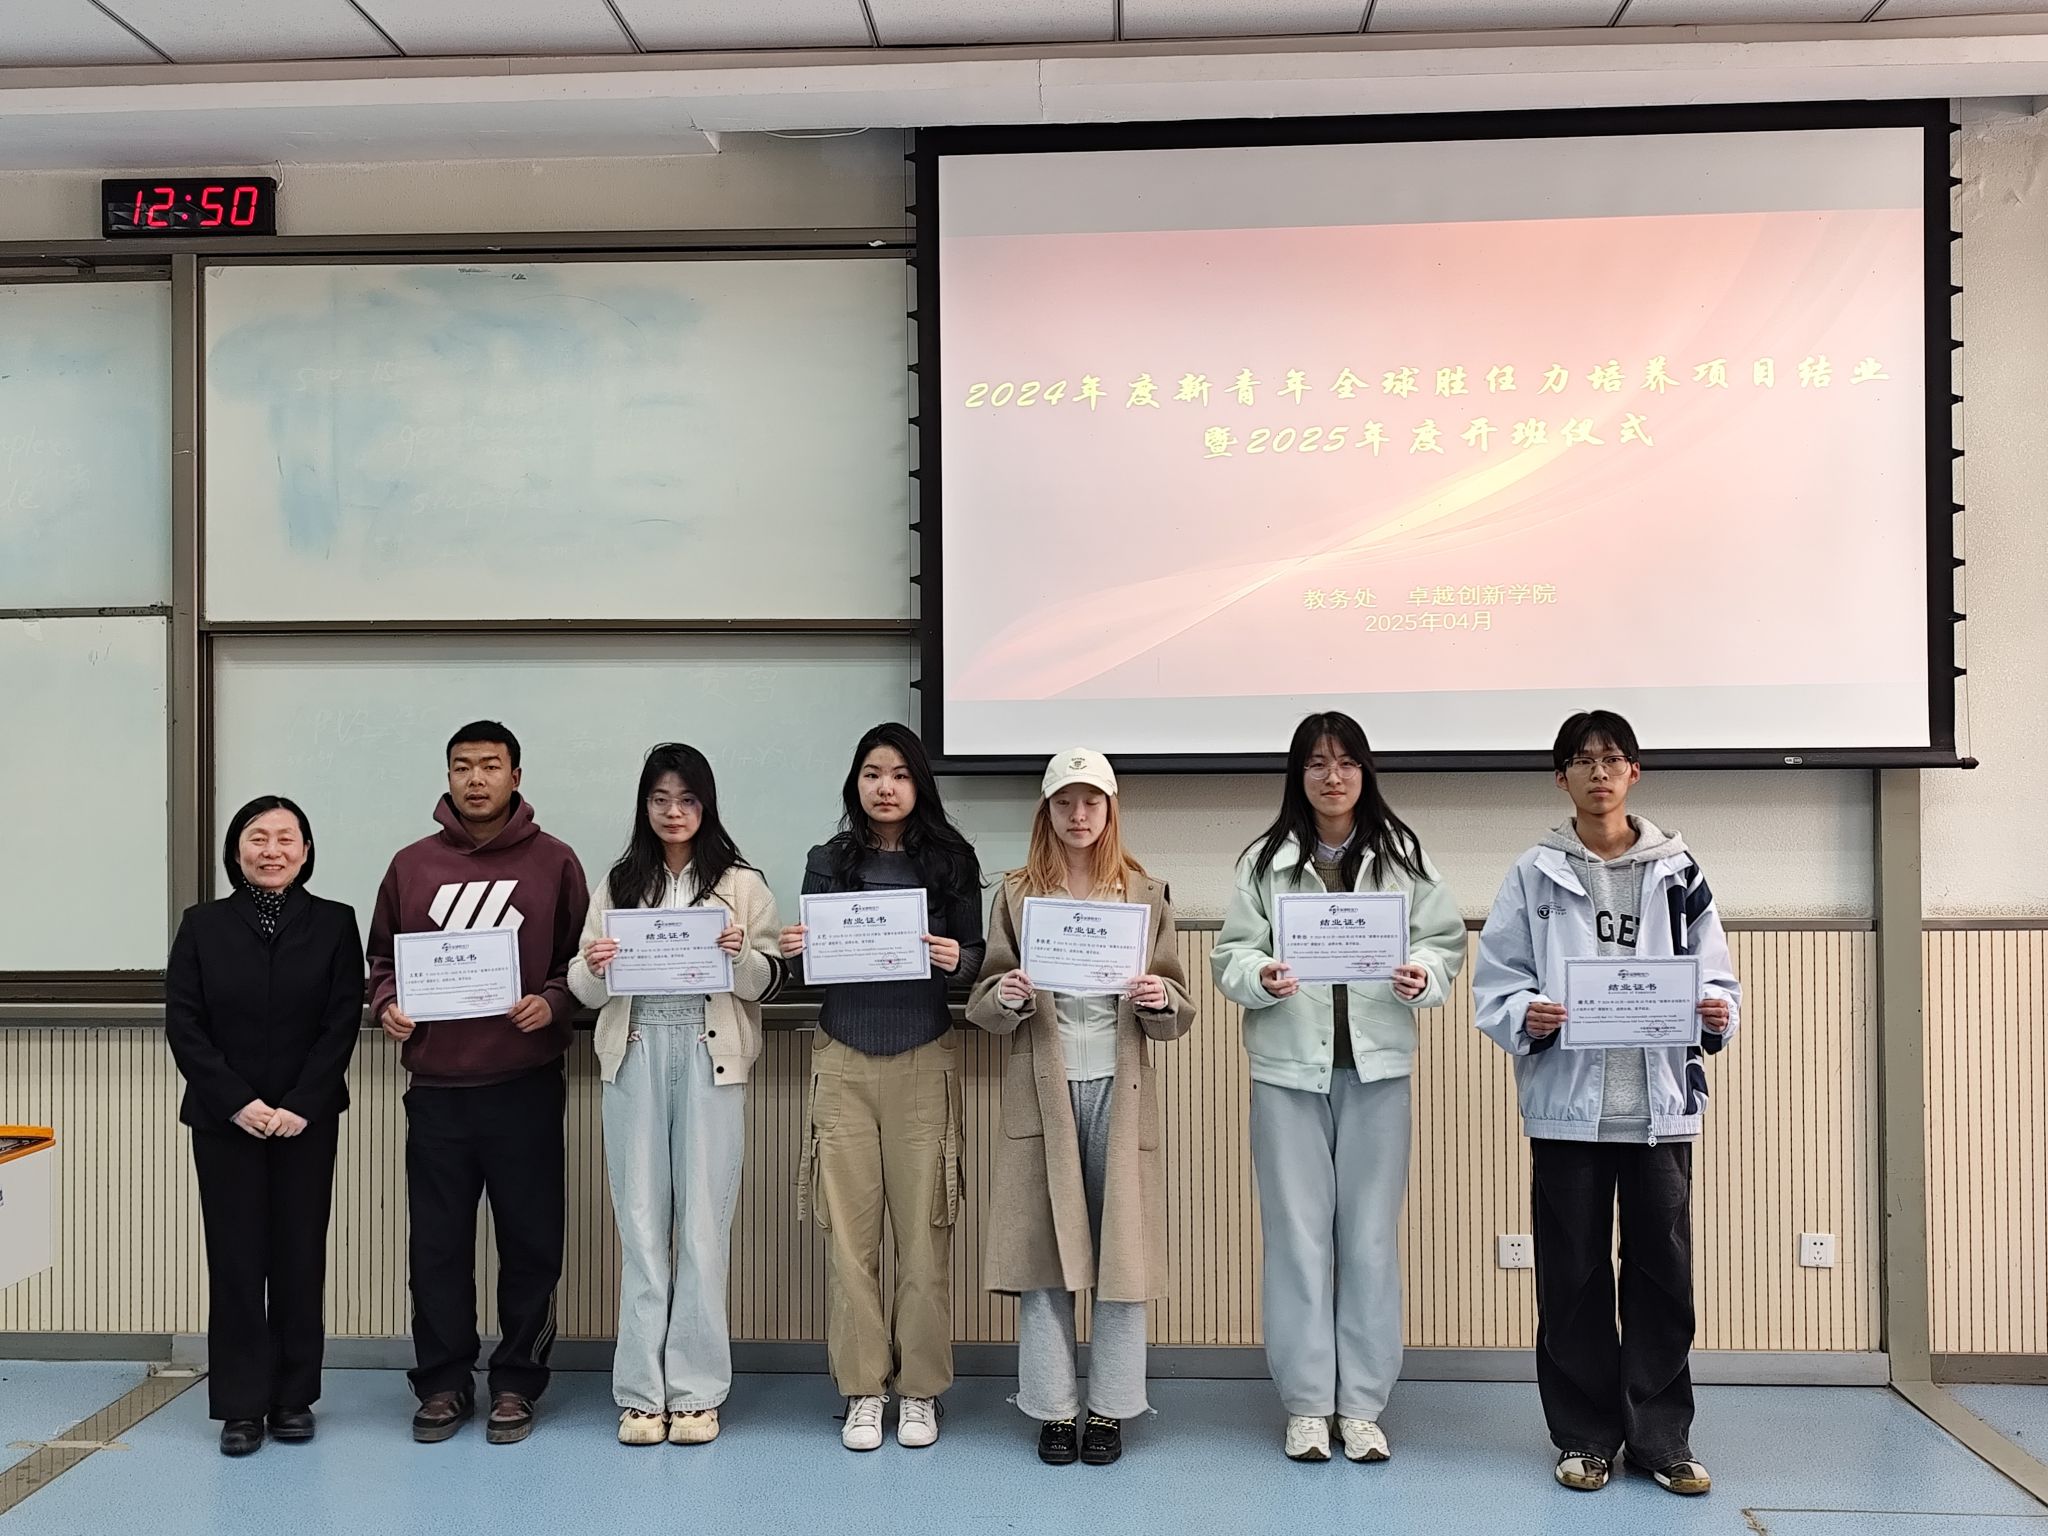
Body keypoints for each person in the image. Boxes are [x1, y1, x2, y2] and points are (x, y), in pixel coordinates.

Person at [1473, 709, 1741, 1497]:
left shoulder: (1679, 871)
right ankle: (1585, 1438)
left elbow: (1716, 974)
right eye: (1584, 760)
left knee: (1663, 1273)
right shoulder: (1534, 873)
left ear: (1635, 772)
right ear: (1561, 777)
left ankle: (1662, 1439)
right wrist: (1527, 1014)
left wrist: (1717, 1011)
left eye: (1613, 758)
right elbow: (1499, 979)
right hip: (1569, 1106)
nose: (1600, 772)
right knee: (1574, 1276)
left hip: (1659, 1105)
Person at [1212, 712, 1465, 1465]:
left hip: (1378, 1070)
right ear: (1298, 775)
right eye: (1318, 763)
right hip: (1288, 1071)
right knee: (1296, 1239)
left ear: (1365, 772)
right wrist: (1260, 976)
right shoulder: (1265, 860)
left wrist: (1424, 973)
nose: (1333, 776)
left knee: (1370, 1240)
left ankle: (1360, 1406)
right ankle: (1305, 1404)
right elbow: (1232, 954)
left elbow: (1443, 940)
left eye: (1347, 762)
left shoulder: (1402, 854)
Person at [966, 748, 1193, 1468]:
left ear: (1110, 809)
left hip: (1121, 1093)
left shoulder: (1146, 893)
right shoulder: (1014, 895)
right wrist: (1005, 997)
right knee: (1046, 1253)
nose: (1078, 814)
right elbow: (984, 1002)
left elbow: (1178, 1009)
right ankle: (1053, 1408)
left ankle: (1111, 1408)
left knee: (1121, 1255)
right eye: (1064, 802)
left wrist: (1159, 999)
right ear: (1047, 811)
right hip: (1044, 1093)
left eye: (1091, 801)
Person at [366, 721, 589, 1446]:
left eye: (490, 765)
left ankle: (518, 1380)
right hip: (437, 1090)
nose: (476, 779)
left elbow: (583, 961)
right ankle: (442, 1382)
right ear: (448, 776)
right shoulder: (411, 865)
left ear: (516, 776)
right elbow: (381, 962)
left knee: (530, 1243)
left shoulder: (556, 862)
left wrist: (553, 1001)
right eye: (462, 766)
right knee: (436, 1248)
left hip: (525, 1083)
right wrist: (387, 1004)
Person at [568, 744, 785, 1447]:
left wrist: (739, 955)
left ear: (706, 805)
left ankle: (695, 1393)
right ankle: (640, 1394)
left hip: (708, 1055)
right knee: (639, 1225)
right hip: (633, 1052)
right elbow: (583, 987)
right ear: (645, 806)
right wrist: (594, 966)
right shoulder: (618, 882)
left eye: (687, 799)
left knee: (701, 1228)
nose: (673, 812)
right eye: (660, 799)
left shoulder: (741, 885)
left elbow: (766, 983)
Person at [781, 722, 985, 1452]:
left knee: (925, 1238)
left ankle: (921, 1390)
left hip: (923, 1056)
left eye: (899, 774)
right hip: (842, 1056)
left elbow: (977, 958)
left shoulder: (952, 860)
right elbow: (805, 968)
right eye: (872, 773)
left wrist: (958, 958)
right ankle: (864, 1389)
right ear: (856, 783)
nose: (885, 787)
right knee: (850, 1241)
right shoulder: (827, 860)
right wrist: (794, 952)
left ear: (918, 784)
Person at [165, 796, 364, 1457]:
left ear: (305, 852)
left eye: (286, 837)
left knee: (300, 1256)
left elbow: (342, 1019)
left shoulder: (335, 922)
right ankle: (242, 1405)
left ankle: (293, 1398)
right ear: (236, 849)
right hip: (225, 1121)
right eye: (258, 837)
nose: (271, 850)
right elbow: (184, 1022)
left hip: (307, 1120)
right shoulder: (202, 925)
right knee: (237, 1260)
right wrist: (236, 1102)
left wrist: (303, 1102)